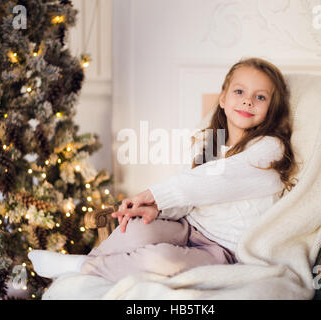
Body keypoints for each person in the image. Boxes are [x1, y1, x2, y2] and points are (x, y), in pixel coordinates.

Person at [28, 57, 298, 282]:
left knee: (162, 260)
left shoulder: (269, 149)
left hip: (223, 248)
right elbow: (188, 191)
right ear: (224, 99)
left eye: (260, 97)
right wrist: (159, 209)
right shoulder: (208, 142)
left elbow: (215, 181)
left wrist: (155, 195)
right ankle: (89, 263)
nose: (248, 101)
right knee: (135, 229)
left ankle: (83, 270)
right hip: (188, 227)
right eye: (239, 92)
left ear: (271, 110)